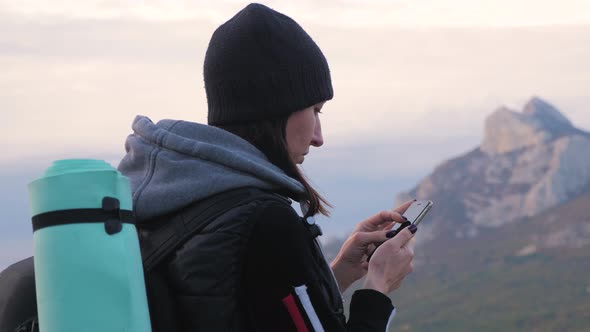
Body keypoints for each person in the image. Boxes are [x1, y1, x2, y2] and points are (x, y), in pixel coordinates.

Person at [118, 3, 417, 331]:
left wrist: (338, 273)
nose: (319, 137)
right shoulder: (264, 220)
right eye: (315, 110)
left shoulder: (169, 201)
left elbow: (241, 309)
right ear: (279, 108)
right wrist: (377, 285)